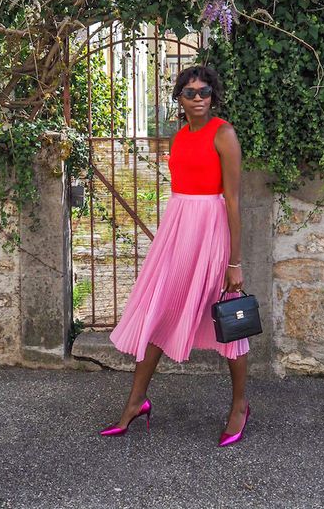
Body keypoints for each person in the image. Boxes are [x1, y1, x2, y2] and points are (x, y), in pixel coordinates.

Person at [99, 65, 250, 447]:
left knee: (229, 320)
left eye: (204, 92)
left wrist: (235, 261)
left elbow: (232, 201)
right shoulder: (179, 136)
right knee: (158, 310)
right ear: (179, 100)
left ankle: (239, 406)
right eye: (189, 92)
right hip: (177, 229)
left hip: (211, 231)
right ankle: (136, 402)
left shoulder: (224, 134)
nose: (198, 98)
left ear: (213, 95)